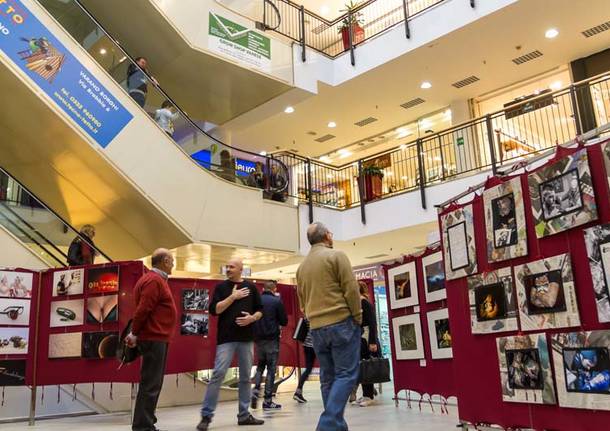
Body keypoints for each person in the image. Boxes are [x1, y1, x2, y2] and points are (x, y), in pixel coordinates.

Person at [296, 222, 362, 431]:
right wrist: (358, 316)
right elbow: (351, 289)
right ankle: (327, 425)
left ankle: (337, 427)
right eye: (331, 233)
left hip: (316, 329)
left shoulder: (301, 268)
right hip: (341, 323)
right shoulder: (337, 256)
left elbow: (302, 303)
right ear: (326, 236)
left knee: (328, 377)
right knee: (346, 375)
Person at [197, 259, 264, 430]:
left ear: (241, 269)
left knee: (244, 378)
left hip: (246, 339)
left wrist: (252, 318)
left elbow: (260, 310)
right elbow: (215, 310)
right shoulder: (221, 288)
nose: (228, 269)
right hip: (226, 339)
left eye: (232, 267)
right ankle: (206, 416)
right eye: (227, 267)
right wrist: (232, 297)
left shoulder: (251, 287)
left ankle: (244, 415)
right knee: (218, 374)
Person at [125, 249, 177, 431]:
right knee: (151, 383)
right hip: (154, 337)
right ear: (164, 261)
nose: (173, 264)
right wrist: (134, 332)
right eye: (172, 260)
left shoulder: (152, 280)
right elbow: (143, 309)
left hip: (155, 337)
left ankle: (146, 422)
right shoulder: (154, 281)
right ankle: (143, 426)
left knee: (151, 382)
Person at [251, 280, 288, 410]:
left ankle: (255, 390)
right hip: (272, 338)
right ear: (274, 289)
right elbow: (284, 321)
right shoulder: (276, 302)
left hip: (258, 339)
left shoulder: (256, 301)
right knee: (271, 368)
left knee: (260, 365)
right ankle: (267, 400)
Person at [352, 280, 379, 407]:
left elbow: (373, 323)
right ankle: (366, 393)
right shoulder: (359, 303)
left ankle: (369, 395)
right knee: (362, 365)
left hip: (367, 338)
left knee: (366, 365)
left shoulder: (364, 303)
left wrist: (373, 341)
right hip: (361, 337)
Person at [293, 319, 316, 403]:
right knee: (328, 367)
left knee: (308, 369)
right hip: (316, 344)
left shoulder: (308, 312)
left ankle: (298, 391)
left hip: (307, 344)